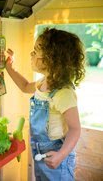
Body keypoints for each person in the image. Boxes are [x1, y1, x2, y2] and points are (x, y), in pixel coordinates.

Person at [5, 28, 86, 181]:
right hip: (40, 153)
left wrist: (61, 155)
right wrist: (10, 68)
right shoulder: (43, 82)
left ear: (51, 59)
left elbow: (75, 129)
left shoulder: (63, 93)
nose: (31, 54)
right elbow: (25, 86)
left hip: (57, 156)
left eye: (35, 52)